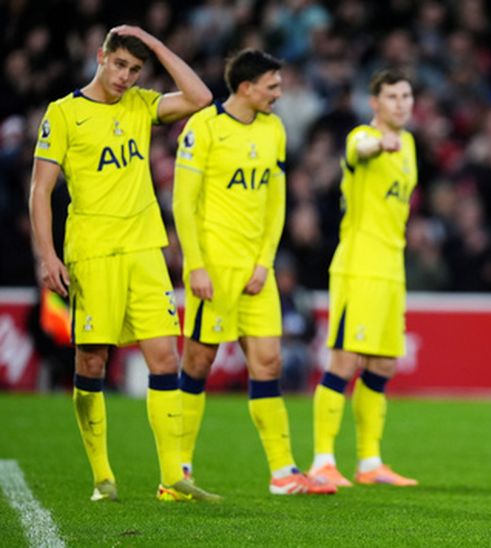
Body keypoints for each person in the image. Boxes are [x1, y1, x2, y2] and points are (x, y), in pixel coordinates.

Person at [29, 26, 219, 502]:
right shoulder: (64, 113)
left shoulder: (142, 104)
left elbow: (200, 96)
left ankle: (173, 478)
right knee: (92, 360)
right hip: (93, 252)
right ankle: (102, 477)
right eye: (119, 65)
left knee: (165, 358)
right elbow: (41, 191)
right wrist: (48, 254)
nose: (126, 77)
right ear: (100, 57)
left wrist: (155, 46)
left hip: (145, 252)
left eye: (135, 70)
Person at [172, 49, 334, 496]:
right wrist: (196, 265)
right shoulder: (203, 127)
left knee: (268, 362)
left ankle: (282, 472)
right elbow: (184, 204)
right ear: (246, 88)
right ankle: (177, 469)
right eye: (272, 87)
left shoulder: (273, 130)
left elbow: (275, 203)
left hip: (254, 273)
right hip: (213, 268)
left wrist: (265, 262)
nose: (279, 94)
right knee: (199, 363)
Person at [308, 69, 418, 488]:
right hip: (358, 266)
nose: (401, 103)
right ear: (375, 103)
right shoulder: (361, 137)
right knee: (343, 360)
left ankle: (369, 462)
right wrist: (378, 143)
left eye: (406, 96)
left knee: (384, 363)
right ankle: (322, 460)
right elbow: (362, 150)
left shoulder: (408, 144)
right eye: (392, 97)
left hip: (392, 268)